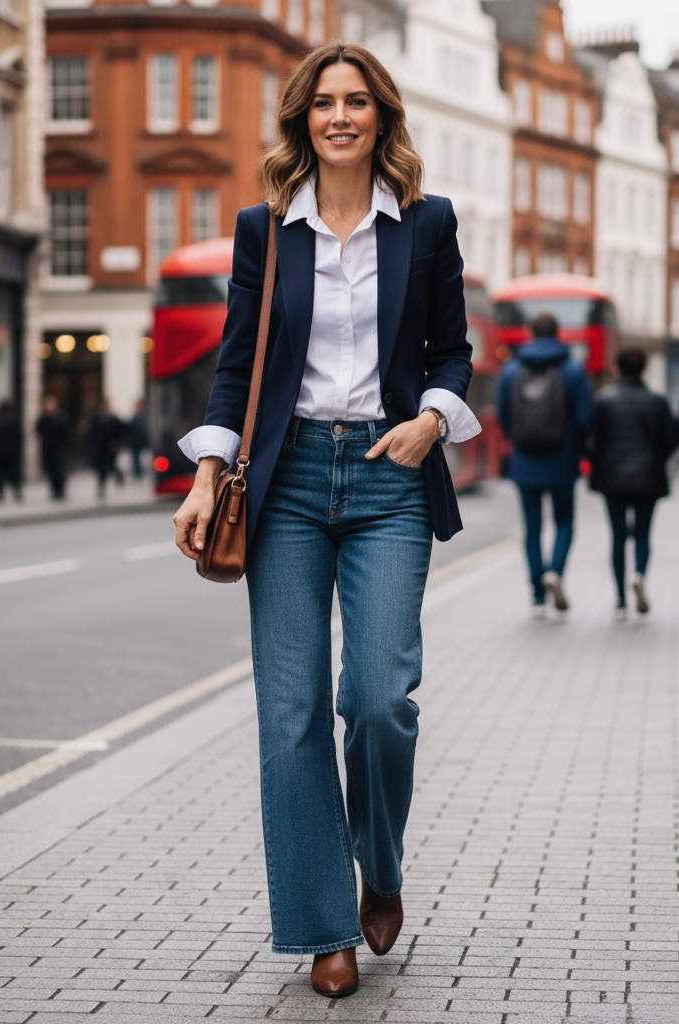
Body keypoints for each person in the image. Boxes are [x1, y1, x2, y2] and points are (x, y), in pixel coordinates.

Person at [173, 42, 479, 997]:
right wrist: (205, 471)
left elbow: (453, 351)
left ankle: (377, 865)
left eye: (356, 102)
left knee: (379, 700)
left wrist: (432, 420)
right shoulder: (266, 230)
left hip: (390, 474)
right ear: (302, 119)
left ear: (381, 117)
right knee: (293, 713)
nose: (339, 117)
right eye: (322, 104)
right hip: (290, 480)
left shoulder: (425, 226)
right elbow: (237, 366)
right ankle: (322, 928)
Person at [498, 312, 592, 615]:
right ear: (558, 333)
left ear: (529, 332)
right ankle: (555, 572)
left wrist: (519, 441)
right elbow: (584, 419)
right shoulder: (574, 369)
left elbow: (503, 416)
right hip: (563, 460)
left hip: (525, 460)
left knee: (532, 528)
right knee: (564, 521)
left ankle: (537, 597)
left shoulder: (511, 370)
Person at [588, 346, 679, 618]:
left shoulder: (603, 401)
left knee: (617, 536)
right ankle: (638, 574)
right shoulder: (658, 401)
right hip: (648, 477)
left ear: (616, 368)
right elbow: (671, 439)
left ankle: (620, 600)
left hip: (612, 477)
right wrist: (656, 458)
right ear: (644, 369)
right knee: (642, 534)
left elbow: (592, 441)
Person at [88, 398, 126, 499]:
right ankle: (101, 486)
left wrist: (116, 442)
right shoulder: (97, 419)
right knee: (102, 469)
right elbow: (92, 434)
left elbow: (119, 432)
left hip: (110, 448)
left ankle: (118, 476)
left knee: (111, 466)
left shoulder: (113, 419)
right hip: (100, 448)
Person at [36, 394, 70, 500]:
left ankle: (60, 490)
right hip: (48, 448)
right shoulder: (43, 418)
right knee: (51, 470)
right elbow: (38, 430)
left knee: (59, 470)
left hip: (59, 448)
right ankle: (54, 490)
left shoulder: (61, 417)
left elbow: (66, 432)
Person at [0, 399, 22, 501]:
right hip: (10, 452)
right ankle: (15, 490)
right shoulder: (12, 421)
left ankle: (0, 492)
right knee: (12, 472)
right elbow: (18, 437)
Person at [127, 398, 149, 479]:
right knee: (135, 459)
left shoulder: (145, 418)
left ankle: (140, 473)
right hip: (135, 442)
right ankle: (137, 473)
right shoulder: (135, 418)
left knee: (142, 459)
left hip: (142, 442)